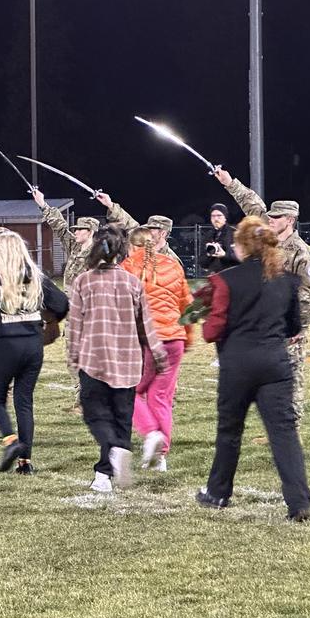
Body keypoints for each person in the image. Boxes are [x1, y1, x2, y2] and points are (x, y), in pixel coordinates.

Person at [197, 215, 310, 521]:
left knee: (229, 431)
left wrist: (206, 317)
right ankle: (299, 502)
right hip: (275, 365)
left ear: (243, 247)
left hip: (237, 366)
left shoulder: (225, 280)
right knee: (284, 434)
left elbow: (211, 331)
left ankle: (218, 493)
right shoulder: (287, 280)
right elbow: (293, 328)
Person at [214, 168, 310, 427]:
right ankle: (278, 425)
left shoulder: (299, 251)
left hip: (289, 325)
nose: (270, 219)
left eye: (276, 217)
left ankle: (292, 426)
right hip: (267, 320)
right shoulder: (270, 237)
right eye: (270, 216)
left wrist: (301, 327)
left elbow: (306, 292)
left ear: (290, 220)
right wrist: (229, 182)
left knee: (292, 374)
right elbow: (252, 204)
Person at [69, 225, 166, 493]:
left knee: (95, 414)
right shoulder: (132, 282)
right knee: (122, 415)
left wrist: (73, 357)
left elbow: (75, 325)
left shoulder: (83, 281)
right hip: (127, 360)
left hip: (94, 359)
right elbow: (145, 324)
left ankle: (109, 461)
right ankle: (111, 463)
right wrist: (158, 353)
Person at [0, 231, 68, 475]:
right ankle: (25, 462)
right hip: (32, 343)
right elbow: (62, 303)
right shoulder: (37, 276)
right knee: (24, 401)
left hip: (6, 343)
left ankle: (11, 441)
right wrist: (48, 321)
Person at [121, 226, 194, 471]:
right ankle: (161, 456)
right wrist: (187, 337)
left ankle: (151, 433)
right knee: (161, 396)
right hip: (174, 338)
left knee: (131, 392)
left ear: (132, 246)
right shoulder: (173, 265)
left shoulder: (128, 267)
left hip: (147, 340)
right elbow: (187, 305)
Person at [31, 187, 98, 410]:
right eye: (75, 230)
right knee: (72, 356)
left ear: (90, 232)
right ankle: (82, 398)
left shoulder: (99, 254)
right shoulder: (74, 247)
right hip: (72, 313)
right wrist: (43, 204)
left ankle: (90, 399)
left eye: (79, 230)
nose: (75, 232)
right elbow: (59, 226)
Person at [94, 192, 182, 264]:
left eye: (152, 229)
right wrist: (110, 204)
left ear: (163, 233)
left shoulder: (171, 260)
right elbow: (128, 222)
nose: (147, 232)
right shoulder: (141, 242)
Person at [199, 203, 239, 274]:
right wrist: (209, 254)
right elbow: (202, 262)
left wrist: (224, 255)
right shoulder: (208, 235)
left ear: (225, 218)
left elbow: (241, 259)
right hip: (214, 275)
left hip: (232, 275)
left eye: (219, 215)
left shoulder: (235, 234)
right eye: (213, 216)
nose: (216, 219)